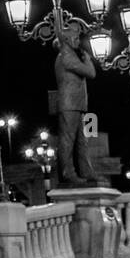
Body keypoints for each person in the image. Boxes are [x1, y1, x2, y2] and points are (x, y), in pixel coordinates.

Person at [53, 23, 98, 187]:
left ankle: (87, 172)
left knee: (81, 141)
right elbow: (91, 73)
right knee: (68, 139)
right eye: (76, 38)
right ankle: (67, 174)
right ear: (66, 39)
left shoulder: (70, 55)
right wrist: (86, 58)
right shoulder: (66, 56)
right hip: (69, 104)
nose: (78, 42)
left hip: (77, 104)